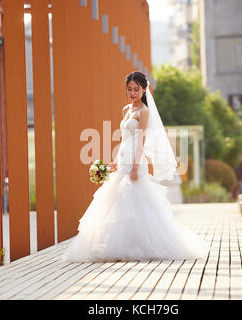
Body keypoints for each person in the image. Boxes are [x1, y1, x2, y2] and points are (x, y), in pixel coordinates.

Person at [61, 71, 208, 262]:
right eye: (129, 89)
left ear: (144, 89)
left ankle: (146, 244)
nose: (132, 93)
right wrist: (115, 161)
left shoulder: (144, 111)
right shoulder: (126, 110)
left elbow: (141, 140)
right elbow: (124, 139)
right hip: (123, 157)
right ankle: (120, 244)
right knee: (116, 199)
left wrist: (135, 166)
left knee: (139, 200)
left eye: (136, 89)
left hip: (135, 161)